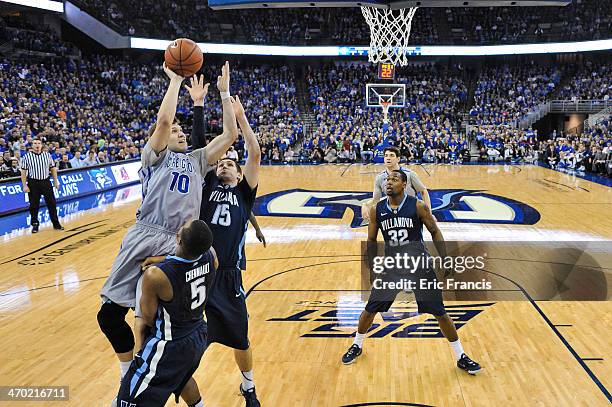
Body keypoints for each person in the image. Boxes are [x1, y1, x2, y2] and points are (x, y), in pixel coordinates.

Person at [97, 62, 238, 388]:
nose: (180, 132)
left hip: (179, 243)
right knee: (109, 316)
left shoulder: (198, 160)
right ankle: (127, 373)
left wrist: (224, 93)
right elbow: (163, 120)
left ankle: (170, 384)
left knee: (163, 327)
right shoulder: (154, 156)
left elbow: (230, 135)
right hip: (146, 234)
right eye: (175, 131)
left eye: (182, 130)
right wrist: (175, 80)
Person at [341, 170, 482, 375]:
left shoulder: (417, 205)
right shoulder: (377, 209)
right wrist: (371, 268)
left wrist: (445, 258)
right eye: (387, 180)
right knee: (371, 308)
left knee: (439, 312)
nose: (389, 183)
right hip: (392, 266)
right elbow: (371, 240)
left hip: (419, 265)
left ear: (404, 184)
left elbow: (434, 230)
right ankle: (357, 344)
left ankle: (461, 356)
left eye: (394, 179)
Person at [198, 96, 262, 406]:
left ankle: (248, 386)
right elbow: (202, 151)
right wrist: (204, 104)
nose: (223, 165)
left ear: (238, 175)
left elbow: (255, 153)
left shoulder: (244, 194)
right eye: (221, 162)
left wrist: (242, 116)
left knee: (240, 337)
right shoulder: (206, 186)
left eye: (229, 164)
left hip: (228, 275)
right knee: (187, 339)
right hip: (197, 273)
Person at [116, 219, 218, 407]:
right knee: (182, 379)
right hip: (197, 335)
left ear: (178, 239)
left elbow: (147, 318)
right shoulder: (211, 256)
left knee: (126, 401)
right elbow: (186, 262)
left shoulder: (156, 276)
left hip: (169, 346)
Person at [361, 147, 430, 225]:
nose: (388, 158)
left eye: (391, 155)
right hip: (393, 215)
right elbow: (376, 200)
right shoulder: (380, 178)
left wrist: (428, 213)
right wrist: (365, 205)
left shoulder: (410, 174)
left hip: (412, 213)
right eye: (386, 156)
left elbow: (423, 191)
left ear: (398, 159)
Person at [19, 138, 63, 233]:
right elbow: (23, 172)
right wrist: (24, 185)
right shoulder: (27, 157)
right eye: (35, 143)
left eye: (39, 143)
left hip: (46, 182)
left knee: (52, 203)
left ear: (41, 145)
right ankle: (35, 224)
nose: (37, 145)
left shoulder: (47, 155)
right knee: (34, 205)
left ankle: (56, 223)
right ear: (32, 145)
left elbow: (53, 169)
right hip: (33, 183)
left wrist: (56, 181)